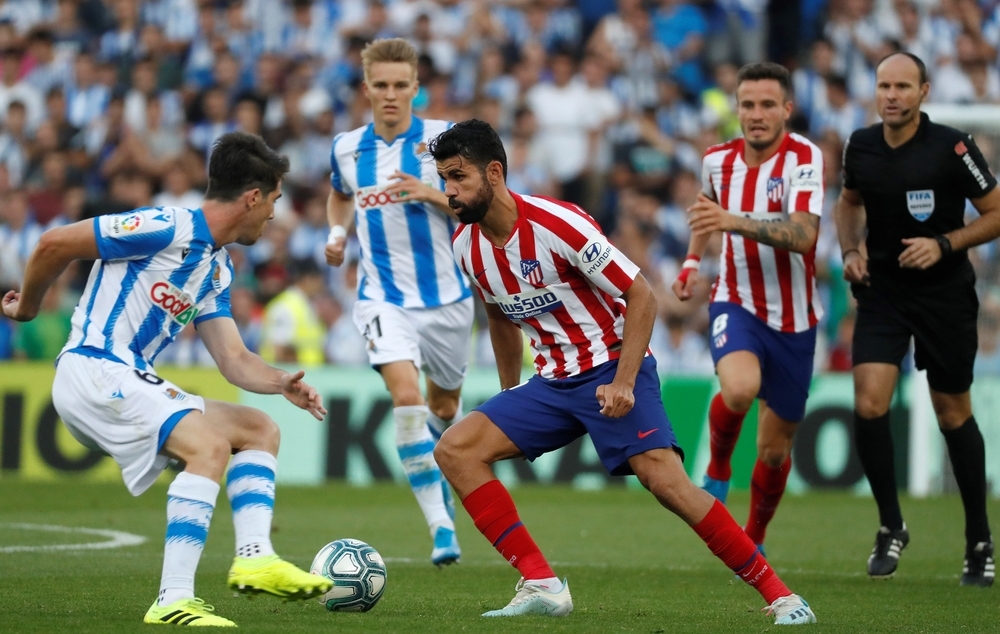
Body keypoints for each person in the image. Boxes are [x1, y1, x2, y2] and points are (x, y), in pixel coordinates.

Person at [429, 119, 817, 625]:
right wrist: (510, 393)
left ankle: (783, 597)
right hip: (551, 382)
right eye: (443, 179)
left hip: (611, 365)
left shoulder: (557, 223)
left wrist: (625, 381)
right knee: (455, 449)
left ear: (495, 173)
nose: (449, 192)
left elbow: (641, 295)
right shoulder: (466, 245)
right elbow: (500, 316)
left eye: (458, 177)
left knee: (668, 485)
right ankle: (541, 583)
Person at [1, 132, 333, 626]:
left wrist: (282, 381)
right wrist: (26, 308)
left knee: (257, 429)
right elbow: (54, 242)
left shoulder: (217, 270)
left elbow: (234, 359)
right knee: (209, 448)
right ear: (253, 197)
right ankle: (173, 598)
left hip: (126, 378)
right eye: (274, 201)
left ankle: (256, 555)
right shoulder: (165, 225)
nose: (273, 216)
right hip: (93, 367)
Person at [835, 52, 1000, 586]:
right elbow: (848, 202)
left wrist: (945, 243)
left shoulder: (953, 146)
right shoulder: (860, 145)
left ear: (924, 92)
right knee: (868, 401)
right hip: (882, 292)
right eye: (884, 85)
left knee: (952, 414)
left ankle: (978, 539)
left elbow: (997, 211)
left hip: (943, 296)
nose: (891, 95)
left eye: (903, 86)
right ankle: (891, 526)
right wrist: (850, 252)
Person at [324, 38, 472, 566]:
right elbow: (341, 194)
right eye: (380, 86)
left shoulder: (444, 140)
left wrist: (434, 193)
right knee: (407, 402)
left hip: (449, 300)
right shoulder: (347, 147)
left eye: (400, 86)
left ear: (416, 88)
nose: (390, 95)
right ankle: (440, 527)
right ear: (367, 89)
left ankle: (437, 465)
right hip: (382, 297)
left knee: (444, 408)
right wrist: (337, 234)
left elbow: (486, 203)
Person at [671, 62, 825, 555]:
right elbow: (704, 212)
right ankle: (716, 468)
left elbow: (803, 236)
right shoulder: (717, 160)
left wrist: (732, 221)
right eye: (747, 105)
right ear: (736, 108)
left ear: (787, 109)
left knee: (774, 452)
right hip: (734, 298)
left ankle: (752, 539)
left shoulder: (804, 158)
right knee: (739, 389)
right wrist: (692, 260)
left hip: (796, 319)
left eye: (766, 105)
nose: (755, 115)